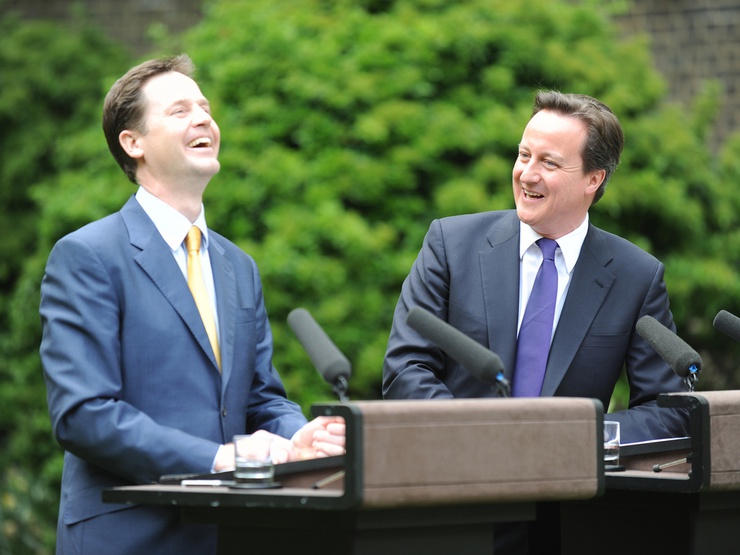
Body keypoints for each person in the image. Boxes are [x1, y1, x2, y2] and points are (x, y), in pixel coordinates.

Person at [39, 54, 345, 555]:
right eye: (180, 111)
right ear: (132, 143)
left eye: (205, 107)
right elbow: (83, 413)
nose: (204, 118)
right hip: (130, 535)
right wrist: (221, 459)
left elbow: (260, 399)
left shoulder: (238, 265)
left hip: (235, 535)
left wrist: (298, 440)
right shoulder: (87, 256)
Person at [382, 91, 689, 553]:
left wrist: (580, 438)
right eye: (524, 155)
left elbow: (665, 408)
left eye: (549, 162)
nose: (526, 173)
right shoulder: (451, 244)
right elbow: (405, 369)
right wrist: (480, 437)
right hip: (454, 508)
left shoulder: (635, 275)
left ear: (593, 179)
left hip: (572, 519)